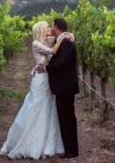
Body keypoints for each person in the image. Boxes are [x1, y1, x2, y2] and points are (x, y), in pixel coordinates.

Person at [0, 21, 73, 159]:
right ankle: (31, 143)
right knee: (37, 107)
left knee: (47, 108)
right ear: (41, 30)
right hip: (40, 80)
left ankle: (47, 143)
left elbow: (58, 41)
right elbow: (53, 51)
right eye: (47, 27)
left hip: (47, 78)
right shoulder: (36, 43)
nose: (50, 29)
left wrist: (69, 35)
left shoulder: (48, 40)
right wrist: (63, 37)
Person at [45, 18, 79, 159]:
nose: (52, 28)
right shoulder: (64, 41)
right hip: (65, 87)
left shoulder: (65, 44)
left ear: (57, 27)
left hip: (65, 88)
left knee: (66, 119)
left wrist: (47, 68)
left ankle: (71, 151)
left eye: (53, 26)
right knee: (67, 118)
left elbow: (61, 63)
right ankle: (70, 149)